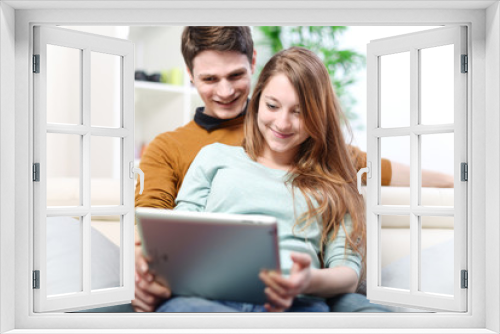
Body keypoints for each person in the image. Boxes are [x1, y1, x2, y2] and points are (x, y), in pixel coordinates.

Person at [132, 26, 451, 313]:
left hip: (298, 298)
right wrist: (148, 280)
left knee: (359, 308)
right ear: (189, 74)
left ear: (252, 65)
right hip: (209, 296)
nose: (226, 91)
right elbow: (159, 232)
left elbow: (372, 168)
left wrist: (455, 179)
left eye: (235, 75)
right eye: (210, 79)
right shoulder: (187, 151)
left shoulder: (328, 166)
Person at [156, 46, 366, 312]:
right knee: (179, 310)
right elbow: (180, 231)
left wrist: (306, 281)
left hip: (294, 303)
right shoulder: (214, 157)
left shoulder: (332, 184)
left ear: (318, 116)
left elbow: (347, 272)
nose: (283, 123)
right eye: (272, 106)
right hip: (209, 299)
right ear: (256, 102)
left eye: (299, 112)